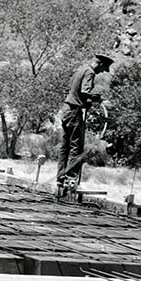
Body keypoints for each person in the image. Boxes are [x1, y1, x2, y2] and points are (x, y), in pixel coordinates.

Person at [56, 52, 112, 195]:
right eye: (103, 69)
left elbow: (78, 93)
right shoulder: (90, 72)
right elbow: (85, 92)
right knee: (76, 147)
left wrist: (87, 102)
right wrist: (97, 99)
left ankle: (60, 177)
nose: (102, 72)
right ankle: (71, 179)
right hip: (74, 112)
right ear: (99, 63)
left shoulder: (81, 69)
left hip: (66, 109)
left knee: (65, 146)